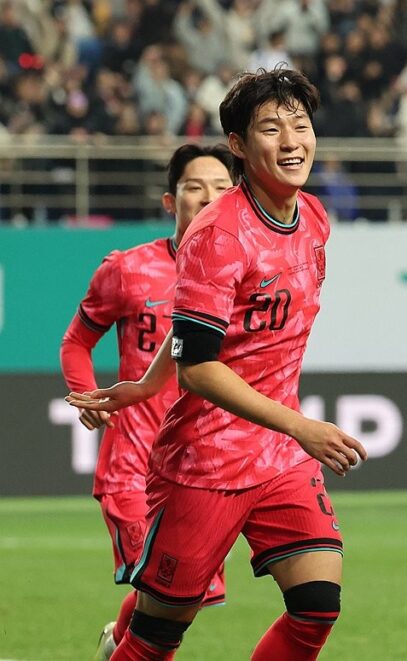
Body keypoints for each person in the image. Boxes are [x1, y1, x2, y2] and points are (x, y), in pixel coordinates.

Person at [67, 68, 367, 660]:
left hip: (277, 457)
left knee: (317, 605)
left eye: (300, 126)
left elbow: (192, 332)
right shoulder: (219, 235)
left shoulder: (313, 218)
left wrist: (145, 384)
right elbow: (200, 367)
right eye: (271, 129)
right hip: (206, 462)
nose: (292, 142)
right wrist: (301, 427)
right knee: (156, 636)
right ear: (238, 145)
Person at [59, 143, 235, 660]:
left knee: (179, 599)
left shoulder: (242, 274)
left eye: (222, 188)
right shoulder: (128, 269)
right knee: (164, 601)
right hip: (133, 466)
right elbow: (76, 341)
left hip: (201, 467)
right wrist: (88, 395)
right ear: (170, 201)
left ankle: (116, 642)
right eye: (195, 187)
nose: (208, 197)